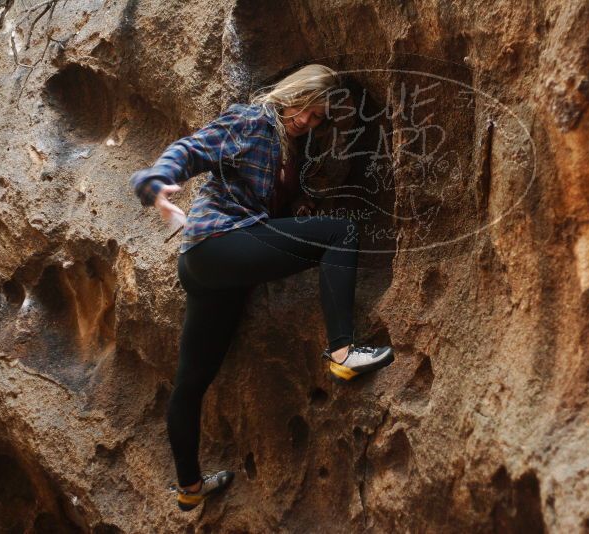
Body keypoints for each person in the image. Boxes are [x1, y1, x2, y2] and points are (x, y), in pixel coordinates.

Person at [129, 64, 395, 511]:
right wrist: (155, 183)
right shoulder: (252, 120)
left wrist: (296, 202)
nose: (309, 123)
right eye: (307, 112)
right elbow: (191, 149)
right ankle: (343, 352)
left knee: (191, 381)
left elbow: (265, 197)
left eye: (318, 119)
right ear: (294, 94)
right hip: (217, 245)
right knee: (340, 233)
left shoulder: (290, 146)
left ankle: (189, 489)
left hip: (213, 270)